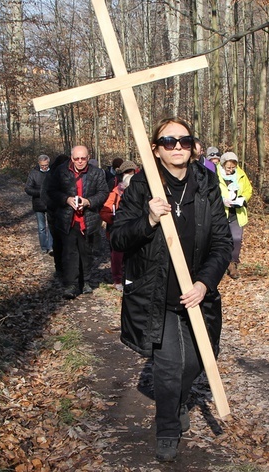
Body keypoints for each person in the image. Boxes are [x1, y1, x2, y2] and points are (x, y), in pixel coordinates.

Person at [110, 117, 232, 462]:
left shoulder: (206, 183)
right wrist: (146, 220)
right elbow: (118, 238)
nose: (176, 145)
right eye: (168, 141)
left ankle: (178, 401)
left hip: (196, 292)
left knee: (194, 362)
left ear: (193, 146)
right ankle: (166, 426)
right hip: (155, 295)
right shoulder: (140, 187)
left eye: (183, 139)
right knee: (167, 365)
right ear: (155, 149)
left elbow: (222, 243)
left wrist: (204, 283)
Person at [42, 146, 109, 298]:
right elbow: (51, 191)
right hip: (67, 219)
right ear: (71, 158)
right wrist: (66, 199)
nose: (80, 161)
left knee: (86, 252)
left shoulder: (97, 173)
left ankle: (85, 281)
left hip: (88, 219)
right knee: (69, 252)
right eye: (76, 158)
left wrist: (88, 201)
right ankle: (71, 284)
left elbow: (104, 193)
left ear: (88, 157)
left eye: (83, 158)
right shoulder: (60, 171)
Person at [100, 160, 138, 291]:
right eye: (127, 172)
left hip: (136, 228)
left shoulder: (141, 190)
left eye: (132, 171)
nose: (130, 174)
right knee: (117, 255)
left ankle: (132, 279)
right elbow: (104, 210)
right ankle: (117, 280)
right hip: (118, 229)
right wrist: (114, 219)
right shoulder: (115, 192)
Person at [217, 152, 253, 279]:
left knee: (236, 239)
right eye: (228, 167)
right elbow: (211, 190)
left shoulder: (241, 174)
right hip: (220, 212)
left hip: (237, 212)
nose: (231, 170)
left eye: (233, 167)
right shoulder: (215, 174)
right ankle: (218, 265)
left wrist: (243, 199)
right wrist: (221, 199)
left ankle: (232, 264)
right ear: (223, 165)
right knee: (220, 239)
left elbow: (248, 190)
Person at [43, 154, 70, 278]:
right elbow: (45, 195)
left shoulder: (68, 176)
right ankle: (60, 268)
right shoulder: (51, 177)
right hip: (55, 214)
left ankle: (63, 268)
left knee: (63, 243)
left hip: (65, 214)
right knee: (60, 243)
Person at [25, 155, 53, 254]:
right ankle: (44, 246)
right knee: (41, 227)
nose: (44, 167)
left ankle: (50, 247)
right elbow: (28, 189)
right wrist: (41, 192)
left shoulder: (53, 172)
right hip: (38, 204)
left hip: (51, 203)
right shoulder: (33, 173)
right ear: (38, 164)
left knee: (51, 226)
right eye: (42, 166)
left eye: (46, 165)